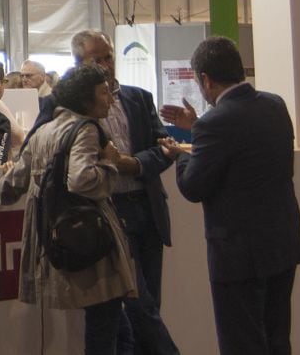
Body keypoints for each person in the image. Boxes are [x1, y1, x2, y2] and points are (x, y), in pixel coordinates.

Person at [26, 30, 179, 355]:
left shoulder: (138, 98)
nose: (108, 64)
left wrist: (131, 164)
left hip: (146, 210)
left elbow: (163, 148)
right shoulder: (60, 103)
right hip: (103, 216)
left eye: (109, 56)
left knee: (149, 304)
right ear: (80, 64)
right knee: (137, 309)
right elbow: (37, 149)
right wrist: (102, 165)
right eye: (99, 58)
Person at [159, 36, 300, 355]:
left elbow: (193, 187)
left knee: (242, 344)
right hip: (282, 243)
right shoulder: (274, 105)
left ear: (205, 80)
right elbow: (244, 154)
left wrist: (181, 154)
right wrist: (197, 128)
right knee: (277, 339)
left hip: (239, 255)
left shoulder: (215, 123)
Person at [0, 64, 137, 354]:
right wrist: (110, 164)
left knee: (114, 326)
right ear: (85, 97)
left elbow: (8, 190)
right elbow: (81, 179)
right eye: (103, 92)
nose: (110, 99)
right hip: (92, 246)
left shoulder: (43, 131)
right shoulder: (86, 130)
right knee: (105, 328)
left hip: (52, 243)